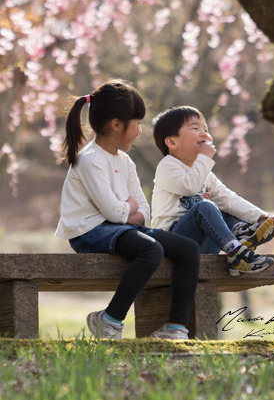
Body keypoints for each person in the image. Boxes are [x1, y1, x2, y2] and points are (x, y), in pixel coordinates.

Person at [55, 80, 200, 340]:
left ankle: (176, 327)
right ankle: (109, 319)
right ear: (116, 124)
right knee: (150, 249)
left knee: (188, 249)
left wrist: (128, 211)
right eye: (137, 123)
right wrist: (128, 210)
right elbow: (115, 213)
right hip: (88, 232)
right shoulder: (90, 160)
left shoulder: (125, 160)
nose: (140, 130)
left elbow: (144, 210)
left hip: (119, 229)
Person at [151, 106, 274, 276]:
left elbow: (229, 199)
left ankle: (240, 240)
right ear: (172, 142)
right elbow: (189, 187)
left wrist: (261, 216)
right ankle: (237, 252)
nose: (204, 133)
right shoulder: (168, 166)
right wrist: (204, 158)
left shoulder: (206, 174)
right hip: (171, 243)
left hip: (201, 246)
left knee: (222, 207)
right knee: (206, 207)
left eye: (206, 129)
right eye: (195, 128)